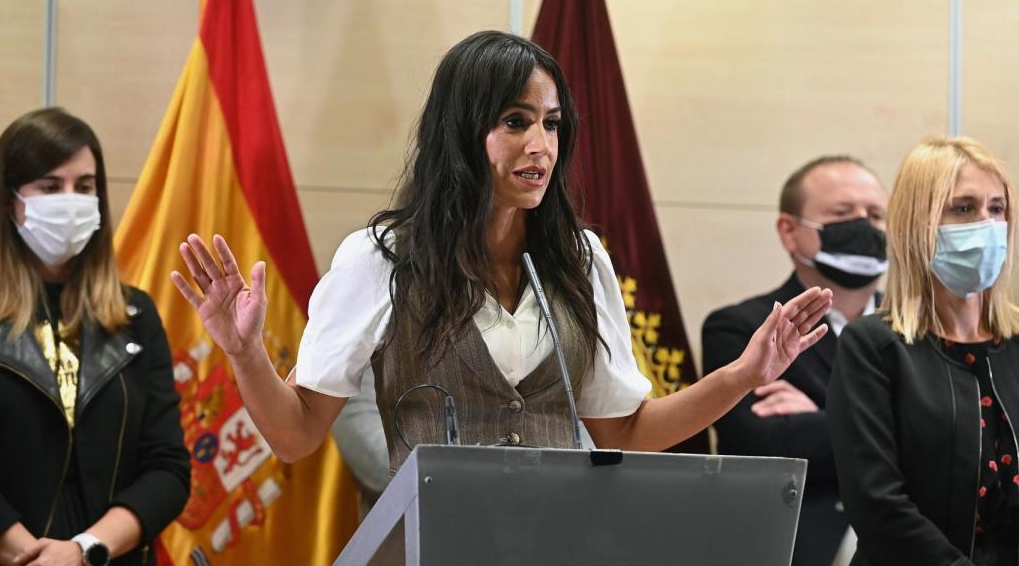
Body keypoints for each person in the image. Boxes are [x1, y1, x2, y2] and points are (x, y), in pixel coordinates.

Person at [171, 30, 831, 476]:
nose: (540, 145)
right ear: (462, 132)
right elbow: (297, 435)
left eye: (551, 123)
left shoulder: (581, 258)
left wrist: (746, 373)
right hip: (433, 543)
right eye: (515, 122)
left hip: (562, 542)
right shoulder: (382, 257)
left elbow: (624, 431)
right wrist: (244, 351)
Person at [0, 108, 190, 566]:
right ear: (10, 201)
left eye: (84, 187)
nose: (71, 200)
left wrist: (83, 551)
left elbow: (168, 468)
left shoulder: (135, 316)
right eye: (49, 187)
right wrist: (30, 555)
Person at [828, 137, 1019, 565]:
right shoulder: (873, 347)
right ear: (919, 223)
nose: (987, 224)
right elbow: (878, 507)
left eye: (997, 208)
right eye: (964, 208)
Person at [702, 155, 887, 566]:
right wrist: (899, 426)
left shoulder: (919, 332)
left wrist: (824, 416)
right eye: (843, 214)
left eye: (875, 215)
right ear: (789, 231)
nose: (864, 226)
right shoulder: (744, 330)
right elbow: (764, 444)